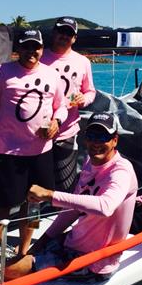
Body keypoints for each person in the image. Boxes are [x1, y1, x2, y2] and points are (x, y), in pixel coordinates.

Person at [5, 112, 138, 281]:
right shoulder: (90, 163)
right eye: (91, 136)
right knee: (17, 255)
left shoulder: (121, 170)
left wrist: (49, 195)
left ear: (115, 140)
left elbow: (106, 207)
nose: (96, 143)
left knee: (10, 271)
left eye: (102, 136)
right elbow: (71, 211)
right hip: (72, 242)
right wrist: (39, 244)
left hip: (94, 261)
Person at [0, 28, 68, 266]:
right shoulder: (3, 73)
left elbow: (62, 106)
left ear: (42, 48)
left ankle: (23, 251)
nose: (32, 52)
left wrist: (56, 122)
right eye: (26, 47)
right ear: (18, 50)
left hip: (41, 153)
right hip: (10, 154)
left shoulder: (52, 74)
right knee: (2, 207)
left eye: (36, 47)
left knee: (34, 204)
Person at [40, 17, 96, 192]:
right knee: (38, 184)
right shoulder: (39, 57)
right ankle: (33, 217)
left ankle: (60, 216)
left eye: (69, 33)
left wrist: (84, 99)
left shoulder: (83, 62)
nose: (64, 36)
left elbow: (91, 91)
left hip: (67, 132)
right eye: (61, 31)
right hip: (38, 132)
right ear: (53, 33)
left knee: (65, 184)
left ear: (74, 38)